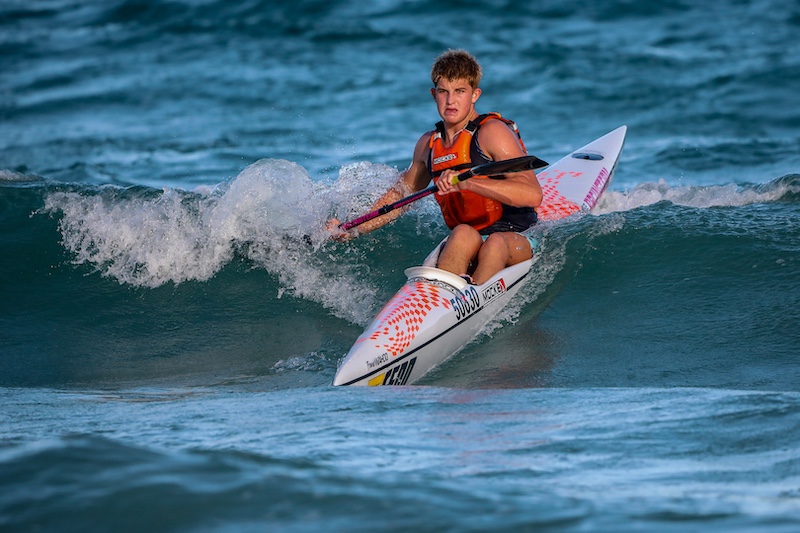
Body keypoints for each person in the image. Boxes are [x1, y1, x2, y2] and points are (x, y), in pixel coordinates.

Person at [328, 49, 543, 285]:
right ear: (434, 94)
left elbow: (532, 194)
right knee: (461, 233)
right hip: (471, 238)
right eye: (444, 91)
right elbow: (399, 197)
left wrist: (468, 182)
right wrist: (352, 229)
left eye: (460, 91)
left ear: (474, 95)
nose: (451, 101)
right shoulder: (428, 145)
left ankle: (470, 300)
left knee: (494, 245)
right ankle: (448, 299)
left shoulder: (492, 133)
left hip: (517, 237)